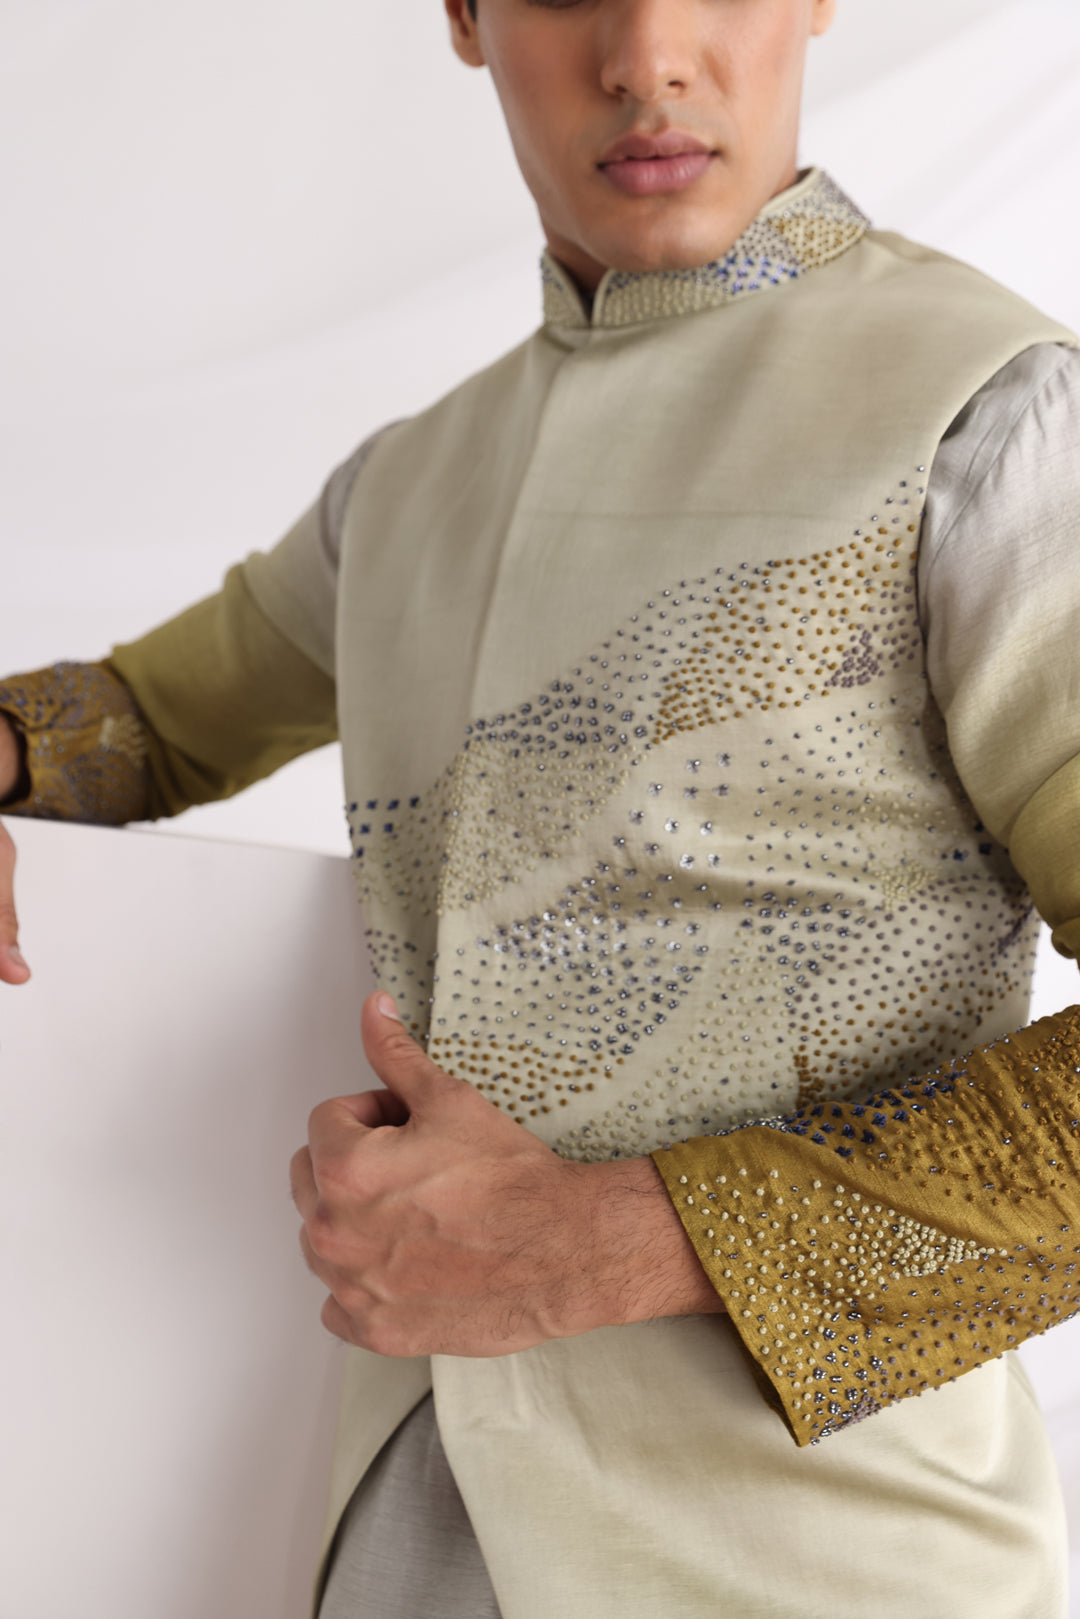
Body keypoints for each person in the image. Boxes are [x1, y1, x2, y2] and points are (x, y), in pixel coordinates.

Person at [3, 0, 1080, 1613]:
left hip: (828, 1557)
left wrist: (616, 1240)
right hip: (398, 1529)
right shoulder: (408, 484)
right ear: (464, 16)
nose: (647, 56)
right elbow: (135, 725)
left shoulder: (993, 418)